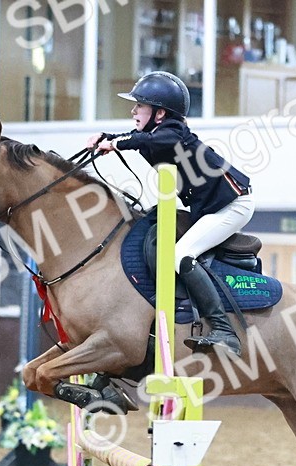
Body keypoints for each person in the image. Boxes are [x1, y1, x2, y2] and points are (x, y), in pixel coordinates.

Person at [87, 71, 252, 356]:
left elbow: (148, 141)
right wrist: (107, 138)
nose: (133, 111)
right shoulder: (158, 134)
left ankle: (225, 330)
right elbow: (139, 138)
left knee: (181, 255)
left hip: (233, 206)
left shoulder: (173, 133)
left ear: (160, 113)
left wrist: (115, 144)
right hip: (213, 207)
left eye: (140, 105)